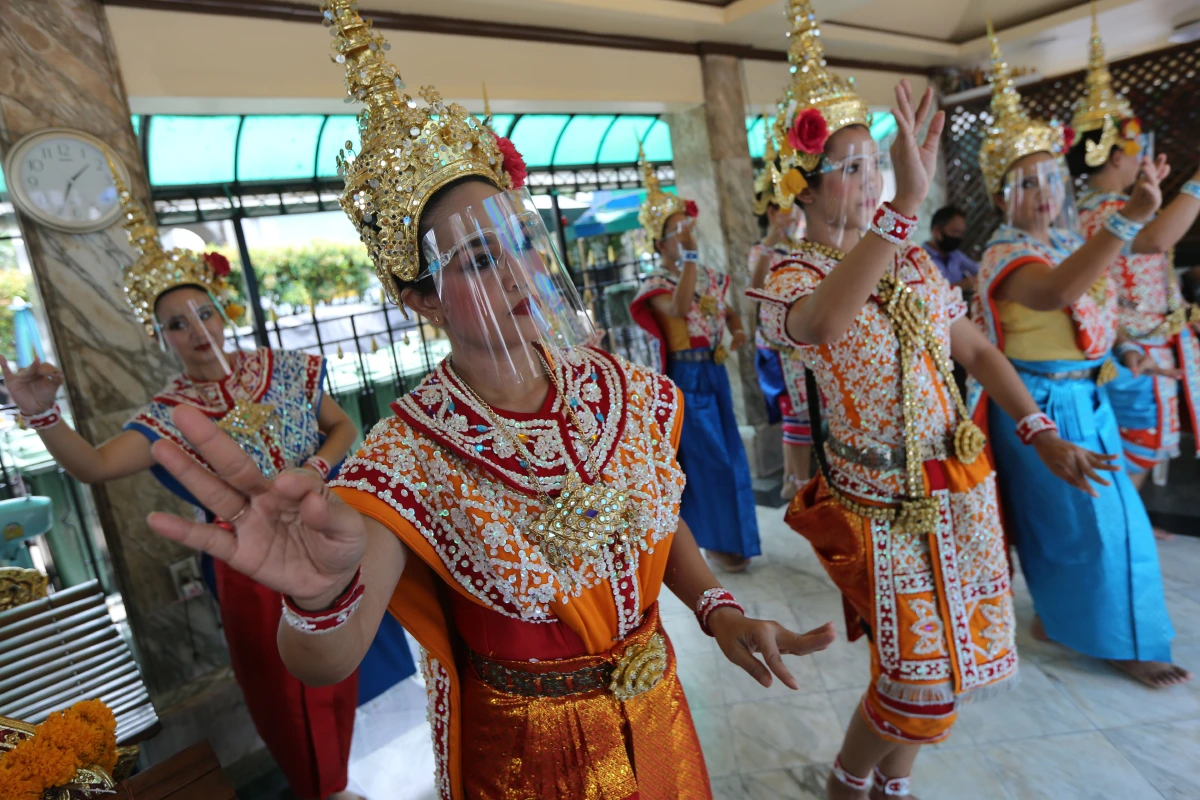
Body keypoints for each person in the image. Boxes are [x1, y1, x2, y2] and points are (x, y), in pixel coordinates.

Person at [137, 4, 837, 798]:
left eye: (519, 241)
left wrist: (717, 609)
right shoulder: (406, 457)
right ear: (420, 298)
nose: (515, 272)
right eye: (475, 259)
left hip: (660, 710)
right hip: (531, 758)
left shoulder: (613, 388)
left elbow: (646, 513)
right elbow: (327, 655)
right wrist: (317, 597)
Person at [749, 5, 1117, 797]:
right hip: (882, 506)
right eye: (849, 168)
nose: (871, 178)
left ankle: (893, 786)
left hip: (961, 482)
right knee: (916, 674)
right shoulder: (789, 277)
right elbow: (822, 325)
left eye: (872, 163)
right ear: (799, 187)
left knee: (961, 660)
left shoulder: (912, 263)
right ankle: (848, 782)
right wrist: (898, 213)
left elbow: (977, 350)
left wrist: (1038, 428)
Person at [0, 166, 391, 800]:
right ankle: (323, 786)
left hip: (329, 526)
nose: (197, 330)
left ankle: (374, 761)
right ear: (162, 340)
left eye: (204, 312)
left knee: (363, 654)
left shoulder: (285, 369)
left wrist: (314, 470)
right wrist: (43, 414)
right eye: (177, 324)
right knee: (281, 687)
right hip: (251, 566)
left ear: (225, 311)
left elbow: (343, 426)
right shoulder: (168, 413)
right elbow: (93, 467)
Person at [970, 24, 1189, 689]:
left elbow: (1090, 309)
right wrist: (1127, 221)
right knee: (1082, 525)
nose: (1041, 192)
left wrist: (1126, 350)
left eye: (1046, 179)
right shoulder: (1006, 253)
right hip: (1039, 404)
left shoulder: (1069, 238)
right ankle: (1117, 642)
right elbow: (1058, 292)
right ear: (1004, 195)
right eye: (1025, 183)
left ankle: (1079, 624)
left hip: (1086, 392)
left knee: (1102, 521)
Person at [1066, 5, 1200, 486]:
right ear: (1115, 151)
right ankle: (1129, 528)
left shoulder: (1114, 204)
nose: (1142, 150)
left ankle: (1134, 525)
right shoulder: (1100, 211)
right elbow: (1157, 239)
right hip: (1131, 344)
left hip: (1151, 340)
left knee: (1147, 439)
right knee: (1136, 441)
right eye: (1136, 141)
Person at [629, 147, 761, 572]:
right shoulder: (658, 281)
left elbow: (729, 310)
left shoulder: (708, 276)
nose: (686, 235)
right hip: (686, 376)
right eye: (675, 232)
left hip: (715, 370)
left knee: (731, 455)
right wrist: (688, 258)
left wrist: (736, 335)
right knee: (707, 461)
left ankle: (737, 541)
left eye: (686, 228)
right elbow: (683, 307)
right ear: (659, 243)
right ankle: (716, 543)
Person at [750, 124, 813, 500]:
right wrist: (773, 237)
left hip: (799, 342)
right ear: (772, 211)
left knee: (802, 412)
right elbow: (756, 290)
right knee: (794, 411)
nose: (791, 217)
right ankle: (796, 481)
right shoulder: (762, 250)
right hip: (778, 347)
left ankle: (795, 478)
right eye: (784, 210)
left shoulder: (798, 248)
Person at [923, 206, 980, 292]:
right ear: (937, 231)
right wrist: (963, 285)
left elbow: (978, 270)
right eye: (955, 232)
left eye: (961, 234)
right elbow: (929, 292)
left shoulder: (955, 255)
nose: (958, 237)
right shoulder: (921, 258)